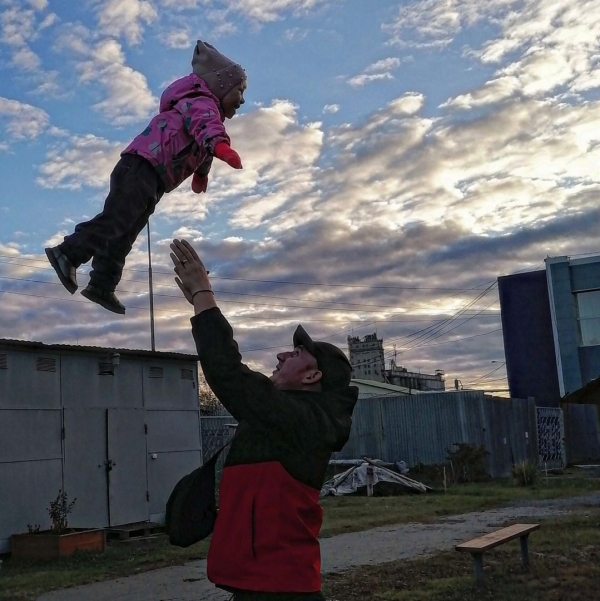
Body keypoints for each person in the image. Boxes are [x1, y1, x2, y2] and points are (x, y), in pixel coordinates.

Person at [169, 238, 358, 601]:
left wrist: (203, 296)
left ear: (311, 377)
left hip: (280, 590)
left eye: (298, 352)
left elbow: (230, 375)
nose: (282, 353)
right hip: (259, 586)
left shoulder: (305, 421)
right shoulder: (282, 418)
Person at [45, 41, 247, 315]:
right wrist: (222, 146)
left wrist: (202, 172)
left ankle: (103, 284)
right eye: (240, 91)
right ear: (222, 85)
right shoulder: (201, 102)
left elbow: (203, 140)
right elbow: (206, 128)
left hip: (155, 178)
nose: (243, 100)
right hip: (142, 165)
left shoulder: (207, 112)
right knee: (117, 219)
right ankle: (68, 252)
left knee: (126, 231)